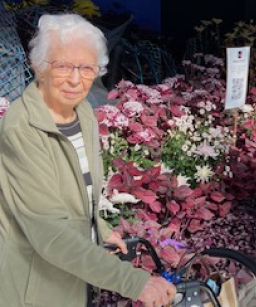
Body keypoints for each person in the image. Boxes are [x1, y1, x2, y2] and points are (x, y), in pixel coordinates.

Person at [0, 14, 176, 307]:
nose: (74, 79)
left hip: (73, 277)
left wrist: (100, 232)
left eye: (86, 68)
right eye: (63, 66)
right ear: (39, 67)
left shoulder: (83, 115)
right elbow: (49, 232)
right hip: (37, 290)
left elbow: (79, 196)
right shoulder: (23, 129)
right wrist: (133, 281)